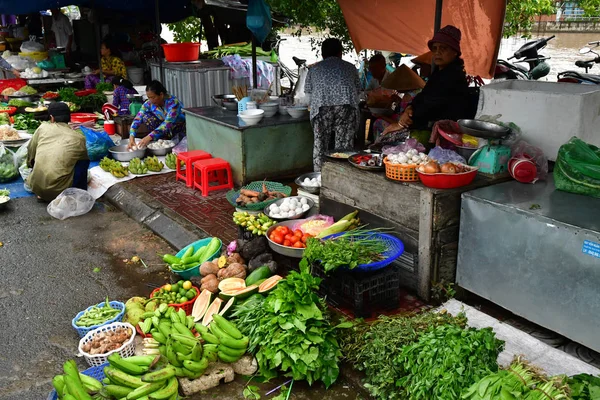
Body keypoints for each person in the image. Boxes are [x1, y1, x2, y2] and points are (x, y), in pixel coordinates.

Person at [384, 25, 470, 134]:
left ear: (455, 52)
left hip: (447, 134)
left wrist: (401, 123)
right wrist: (409, 107)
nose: (438, 52)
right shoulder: (439, 72)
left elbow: (430, 104)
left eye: (443, 48)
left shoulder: (453, 75)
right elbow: (424, 95)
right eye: (435, 48)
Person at [304, 38, 361, 171]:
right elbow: (358, 92)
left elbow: (308, 95)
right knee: (344, 145)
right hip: (346, 107)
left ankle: (318, 175)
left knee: (320, 144)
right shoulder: (350, 67)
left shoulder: (314, 69)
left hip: (322, 107)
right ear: (340, 53)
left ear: (322, 54)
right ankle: (342, 173)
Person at [26, 103, 89, 202]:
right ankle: (78, 193)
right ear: (69, 118)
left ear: (51, 118)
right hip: (60, 191)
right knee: (83, 161)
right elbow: (84, 161)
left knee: (39, 157)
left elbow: (31, 152)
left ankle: (41, 192)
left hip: (36, 186)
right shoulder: (79, 138)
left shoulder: (42, 128)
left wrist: (31, 166)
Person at [128, 81, 186, 149]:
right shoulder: (149, 104)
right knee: (147, 117)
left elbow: (167, 124)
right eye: (149, 97)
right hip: (164, 131)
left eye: (153, 97)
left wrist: (149, 137)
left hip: (178, 129)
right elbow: (138, 118)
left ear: (161, 95)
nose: (151, 100)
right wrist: (131, 136)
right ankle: (161, 141)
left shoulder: (173, 103)